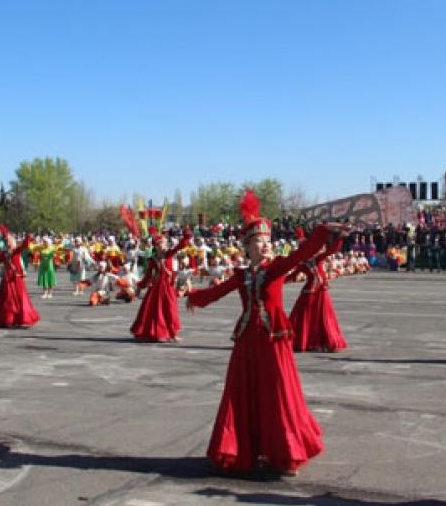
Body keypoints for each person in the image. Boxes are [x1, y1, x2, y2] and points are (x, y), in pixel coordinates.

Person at [186, 190, 349, 476]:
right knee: (243, 394)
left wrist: (323, 231)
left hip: (274, 339)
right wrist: (194, 298)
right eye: (259, 242)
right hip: (247, 342)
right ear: (247, 247)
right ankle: (243, 449)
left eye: (267, 241)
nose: (265, 246)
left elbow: (302, 253)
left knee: (278, 394)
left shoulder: (276, 268)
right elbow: (217, 292)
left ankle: (286, 452)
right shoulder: (241, 275)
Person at [288, 229, 347, 353]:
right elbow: (292, 275)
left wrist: (340, 238)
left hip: (321, 290)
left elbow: (331, 250)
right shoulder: (303, 263)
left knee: (323, 317)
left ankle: (323, 341)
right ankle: (307, 341)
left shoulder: (317, 259)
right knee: (307, 318)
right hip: (310, 292)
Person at [130, 228, 191, 342]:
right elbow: (148, 275)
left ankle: (172, 334)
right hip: (157, 288)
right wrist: (140, 286)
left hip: (168, 287)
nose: (163, 245)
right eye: (161, 244)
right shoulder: (153, 259)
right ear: (156, 246)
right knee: (153, 311)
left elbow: (179, 246)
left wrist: (186, 237)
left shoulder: (169, 254)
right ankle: (155, 332)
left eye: (164, 243)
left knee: (170, 310)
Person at [0, 226, 40, 328]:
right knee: (7, 299)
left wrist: (28, 237)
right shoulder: (4, 254)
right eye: (7, 241)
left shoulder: (16, 251)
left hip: (17, 279)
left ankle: (21, 319)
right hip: (8, 279)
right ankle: (9, 319)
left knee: (21, 299)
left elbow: (24, 245)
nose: (10, 243)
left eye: (11, 241)